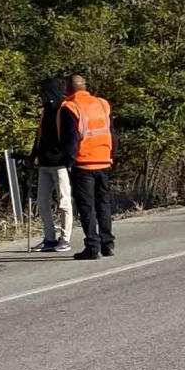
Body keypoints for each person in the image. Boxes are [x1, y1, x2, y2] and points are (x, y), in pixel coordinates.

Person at [58, 74, 116, 260]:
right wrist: (111, 155)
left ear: (68, 88)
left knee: (87, 207)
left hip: (84, 163)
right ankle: (107, 243)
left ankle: (92, 246)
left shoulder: (71, 107)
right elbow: (112, 133)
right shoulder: (102, 104)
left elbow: (70, 140)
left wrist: (69, 162)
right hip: (104, 160)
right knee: (103, 204)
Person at [32, 77, 72, 252]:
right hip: (44, 163)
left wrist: (68, 159)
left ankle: (65, 238)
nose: (40, 95)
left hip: (60, 163)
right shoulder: (45, 111)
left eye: (42, 91)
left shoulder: (64, 109)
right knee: (42, 202)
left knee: (64, 201)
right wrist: (33, 155)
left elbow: (70, 137)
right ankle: (49, 238)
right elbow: (39, 136)